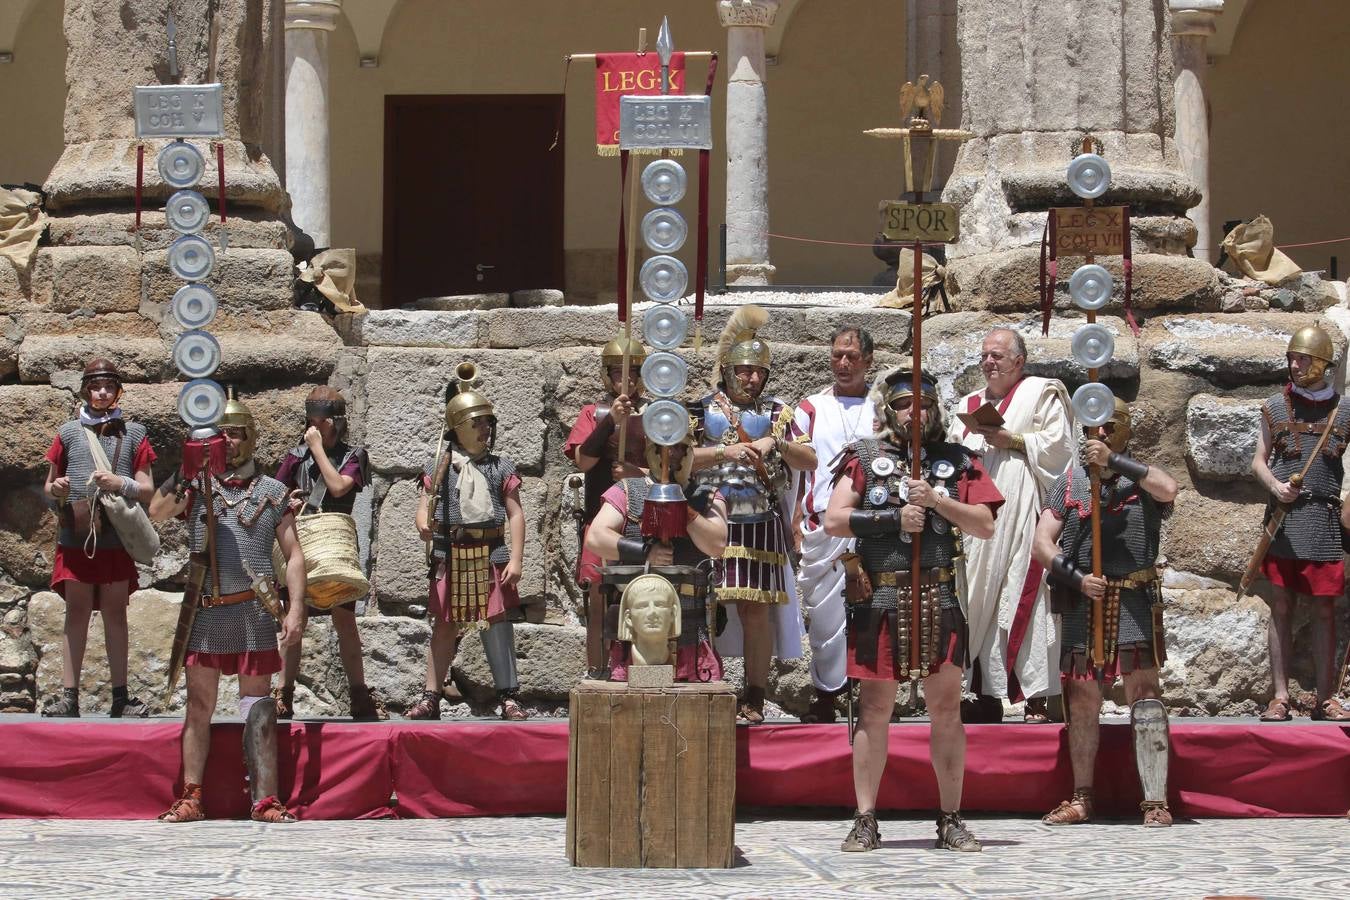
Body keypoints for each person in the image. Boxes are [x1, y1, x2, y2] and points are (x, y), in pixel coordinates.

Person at [823, 367, 1003, 853]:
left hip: (938, 597)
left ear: (935, 410)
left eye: (922, 404)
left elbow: (985, 523)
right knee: (875, 710)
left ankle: (950, 818)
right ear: (890, 410)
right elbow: (834, 520)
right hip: (881, 597)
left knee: (946, 710)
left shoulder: (958, 460)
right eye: (904, 404)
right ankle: (865, 819)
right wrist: (891, 518)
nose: (913, 412)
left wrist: (938, 503)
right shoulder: (865, 457)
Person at [149, 393, 307, 823]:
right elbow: (157, 512)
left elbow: (294, 555)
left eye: (236, 434)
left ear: (250, 439)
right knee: (198, 706)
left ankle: (265, 799)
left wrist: (295, 611)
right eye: (222, 435)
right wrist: (187, 469)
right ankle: (192, 796)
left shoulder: (272, 491)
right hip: (206, 613)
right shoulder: (198, 488)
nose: (229, 442)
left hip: (254, 613)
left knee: (257, 706)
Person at [1034, 398, 1179, 827]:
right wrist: (1076, 577)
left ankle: (1155, 800)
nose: (1097, 436)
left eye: (1107, 428)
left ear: (1121, 431)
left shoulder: (1141, 479)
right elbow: (1042, 544)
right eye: (1092, 429)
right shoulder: (1071, 482)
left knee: (1145, 697)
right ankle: (1082, 797)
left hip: (1134, 599)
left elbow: (1169, 489)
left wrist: (1115, 461)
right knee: (1082, 701)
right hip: (1086, 602)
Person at [690, 304, 816, 723]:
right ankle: (705, 685)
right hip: (706, 516)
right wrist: (724, 451)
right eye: (744, 370)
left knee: (755, 611)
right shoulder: (701, 408)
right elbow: (676, 459)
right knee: (702, 607)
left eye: (759, 371)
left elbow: (809, 459)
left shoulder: (779, 413)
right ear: (728, 369)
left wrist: (775, 446)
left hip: (758, 519)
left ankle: (755, 695)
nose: (752, 378)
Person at [947, 327, 1074, 723]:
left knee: (1026, 596)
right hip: (978, 519)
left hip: (1023, 512)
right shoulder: (969, 403)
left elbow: (1060, 448)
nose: (989, 362)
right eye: (985, 355)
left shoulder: (1041, 392)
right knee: (976, 599)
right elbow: (952, 457)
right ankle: (983, 693)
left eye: (998, 356)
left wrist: (1012, 440)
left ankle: (1034, 695)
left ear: (1019, 361)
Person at [407, 367, 528, 721]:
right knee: (444, 625)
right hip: (451, 554)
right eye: (477, 423)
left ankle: (509, 696)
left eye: (488, 422)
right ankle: (431, 696)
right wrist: (423, 525)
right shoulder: (441, 466)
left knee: (496, 623)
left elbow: (516, 514)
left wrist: (516, 558)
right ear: (458, 427)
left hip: (490, 553)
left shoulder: (500, 466)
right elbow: (423, 507)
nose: (485, 429)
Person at [41, 358, 156, 718]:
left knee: (115, 615)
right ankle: (69, 698)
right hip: (76, 533)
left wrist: (119, 483)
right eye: (95, 386)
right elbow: (49, 486)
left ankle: (121, 698)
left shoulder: (134, 433)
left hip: (115, 536)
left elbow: (148, 490)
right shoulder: (68, 432)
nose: (101, 393)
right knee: (75, 613)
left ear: (118, 390)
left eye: (108, 386)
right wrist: (57, 488)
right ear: (85, 391)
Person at [1251, 326, 1350, 722]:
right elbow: (1258, 460)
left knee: (1325, 610)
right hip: (1285, 522)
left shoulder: (1344, 410)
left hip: (1324, 521)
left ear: (1323, 362)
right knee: (1281, 607)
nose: (1295, 364)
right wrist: (1275, 484)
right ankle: (1280, 697)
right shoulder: (1275, 406)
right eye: (1293, 357)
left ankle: (1325, 698)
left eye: (1303, 358)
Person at [272, 386, 385, 721]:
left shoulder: (355, 456)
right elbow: (274, 496)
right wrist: (288, 500)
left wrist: (318, 449)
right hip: (301, 546)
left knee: (345, 621)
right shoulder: (295, 457)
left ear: (336, 422)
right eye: (311, 421)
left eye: (321, 421)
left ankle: (359, 696)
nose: (314, 427)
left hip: (335, 551)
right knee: (294, 619)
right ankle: (284, 693)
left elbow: (337, 487)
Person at [585, 432, 729, 682]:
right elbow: (596, 538)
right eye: (663, 448)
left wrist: (683, 507)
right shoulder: (628, 490)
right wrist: (644, 552)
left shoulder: (708, 495)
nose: (670, 455)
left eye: (678, 448)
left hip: (690, 627)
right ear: (650, 452)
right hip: (638, 631)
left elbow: (716, 545)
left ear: (689, 453)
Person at [794, 325, 876, 722]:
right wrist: (794, 519)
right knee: (826, 616)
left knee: (876, 609)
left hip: (872, 524)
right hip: (823, 525)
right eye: (837, 356)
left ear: (869, 362)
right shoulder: (810, 407)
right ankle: (828, 692)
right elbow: (796, 472)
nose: (843, 364)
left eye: (852, 357)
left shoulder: (882, 407)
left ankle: (873, 696)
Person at [563, 336, 648, 678]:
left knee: (644, 597)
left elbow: (671, 469)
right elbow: (583, 461)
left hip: (643, 519)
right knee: (598, 598)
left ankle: (639, 669)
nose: (624, 380)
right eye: (617, 373)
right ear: (606, 375)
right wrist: (609, 421)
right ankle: (597, 670)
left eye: (632, 373)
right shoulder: (593, 413)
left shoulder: (658, 413)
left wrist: (636, 473)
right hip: (601, 521)